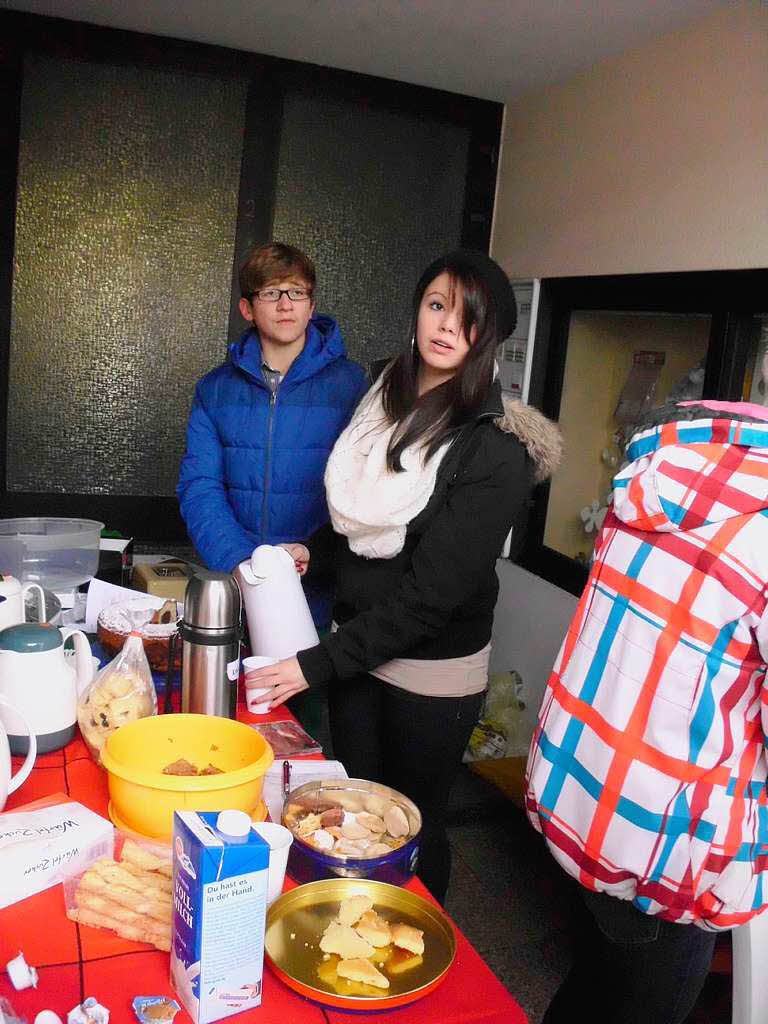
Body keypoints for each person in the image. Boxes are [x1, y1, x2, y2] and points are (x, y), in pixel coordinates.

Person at [245, 250, 562, 903]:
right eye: (437, 305)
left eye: (469, 319)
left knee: (410, 829)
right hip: (359, 646)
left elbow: (428, 597)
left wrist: (314, 664)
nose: (447, 327)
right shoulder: (383, 399)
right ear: (418, 308)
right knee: (351, 812)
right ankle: (348, 928)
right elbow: (362, 521)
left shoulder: (494, 447)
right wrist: (313, 554)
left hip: (431, 674)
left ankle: (413, 958)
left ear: (490, 336)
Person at [525, 399, 768, 1024]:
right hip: (676, 849)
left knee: (597, 982)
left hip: (588, 804)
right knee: (639, 998)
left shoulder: (659, 474)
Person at [177, 241, 366, 630]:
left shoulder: (353, 387)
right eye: (271, 293)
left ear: (311, 306)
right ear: (247, 307)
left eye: (297, 292)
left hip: (319, 590)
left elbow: (365, 493)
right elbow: (200, 486)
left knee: (307, 689)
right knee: (232, 686)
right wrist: (243, 564)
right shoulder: (214, 390)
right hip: (238, 586)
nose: (285, 304)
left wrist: (314, 557)